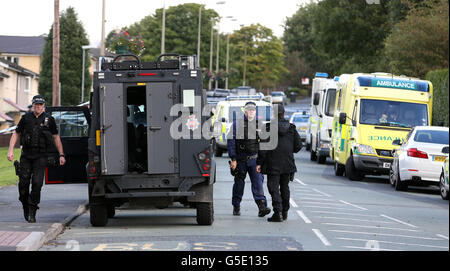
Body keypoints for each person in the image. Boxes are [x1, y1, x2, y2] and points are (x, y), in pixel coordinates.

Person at [7, 95, 66, 223]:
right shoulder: (26, 118)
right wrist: (10, 150)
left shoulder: (49, 119)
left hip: (41, 156)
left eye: (40, 105)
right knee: (23, 186)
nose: (38, 107)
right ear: (33, 105)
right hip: (26, 156)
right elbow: (16, 133)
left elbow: (56, 137)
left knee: (37, 184)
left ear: (43, 106)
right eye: (36, 105)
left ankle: (32, 211)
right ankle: (25, 205)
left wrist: (61, 154)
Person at [257, 104, 302, 222]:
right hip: (288, 163)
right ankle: (284, 212)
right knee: (284, 186)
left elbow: (263, 148)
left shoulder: (268, 127)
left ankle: (278, 212)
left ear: (274, 114)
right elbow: (298, 147)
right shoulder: (291, 128)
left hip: (273, 163)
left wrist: (259, 163)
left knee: (273, 187)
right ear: (284, 113)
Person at [227, 101, 271, 217]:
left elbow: (264, 144)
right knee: (239, 184)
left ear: (255, 111)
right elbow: (231, 141)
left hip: (255, 160)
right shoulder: (237, 124)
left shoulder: (260, 125)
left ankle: (262, 206)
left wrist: (262, 162)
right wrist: (233, 159)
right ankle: (236, 206)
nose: (251, 112)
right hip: (240, 160)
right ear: (245, 111)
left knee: (258, 183)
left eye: (253, 110)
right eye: (249, 110)